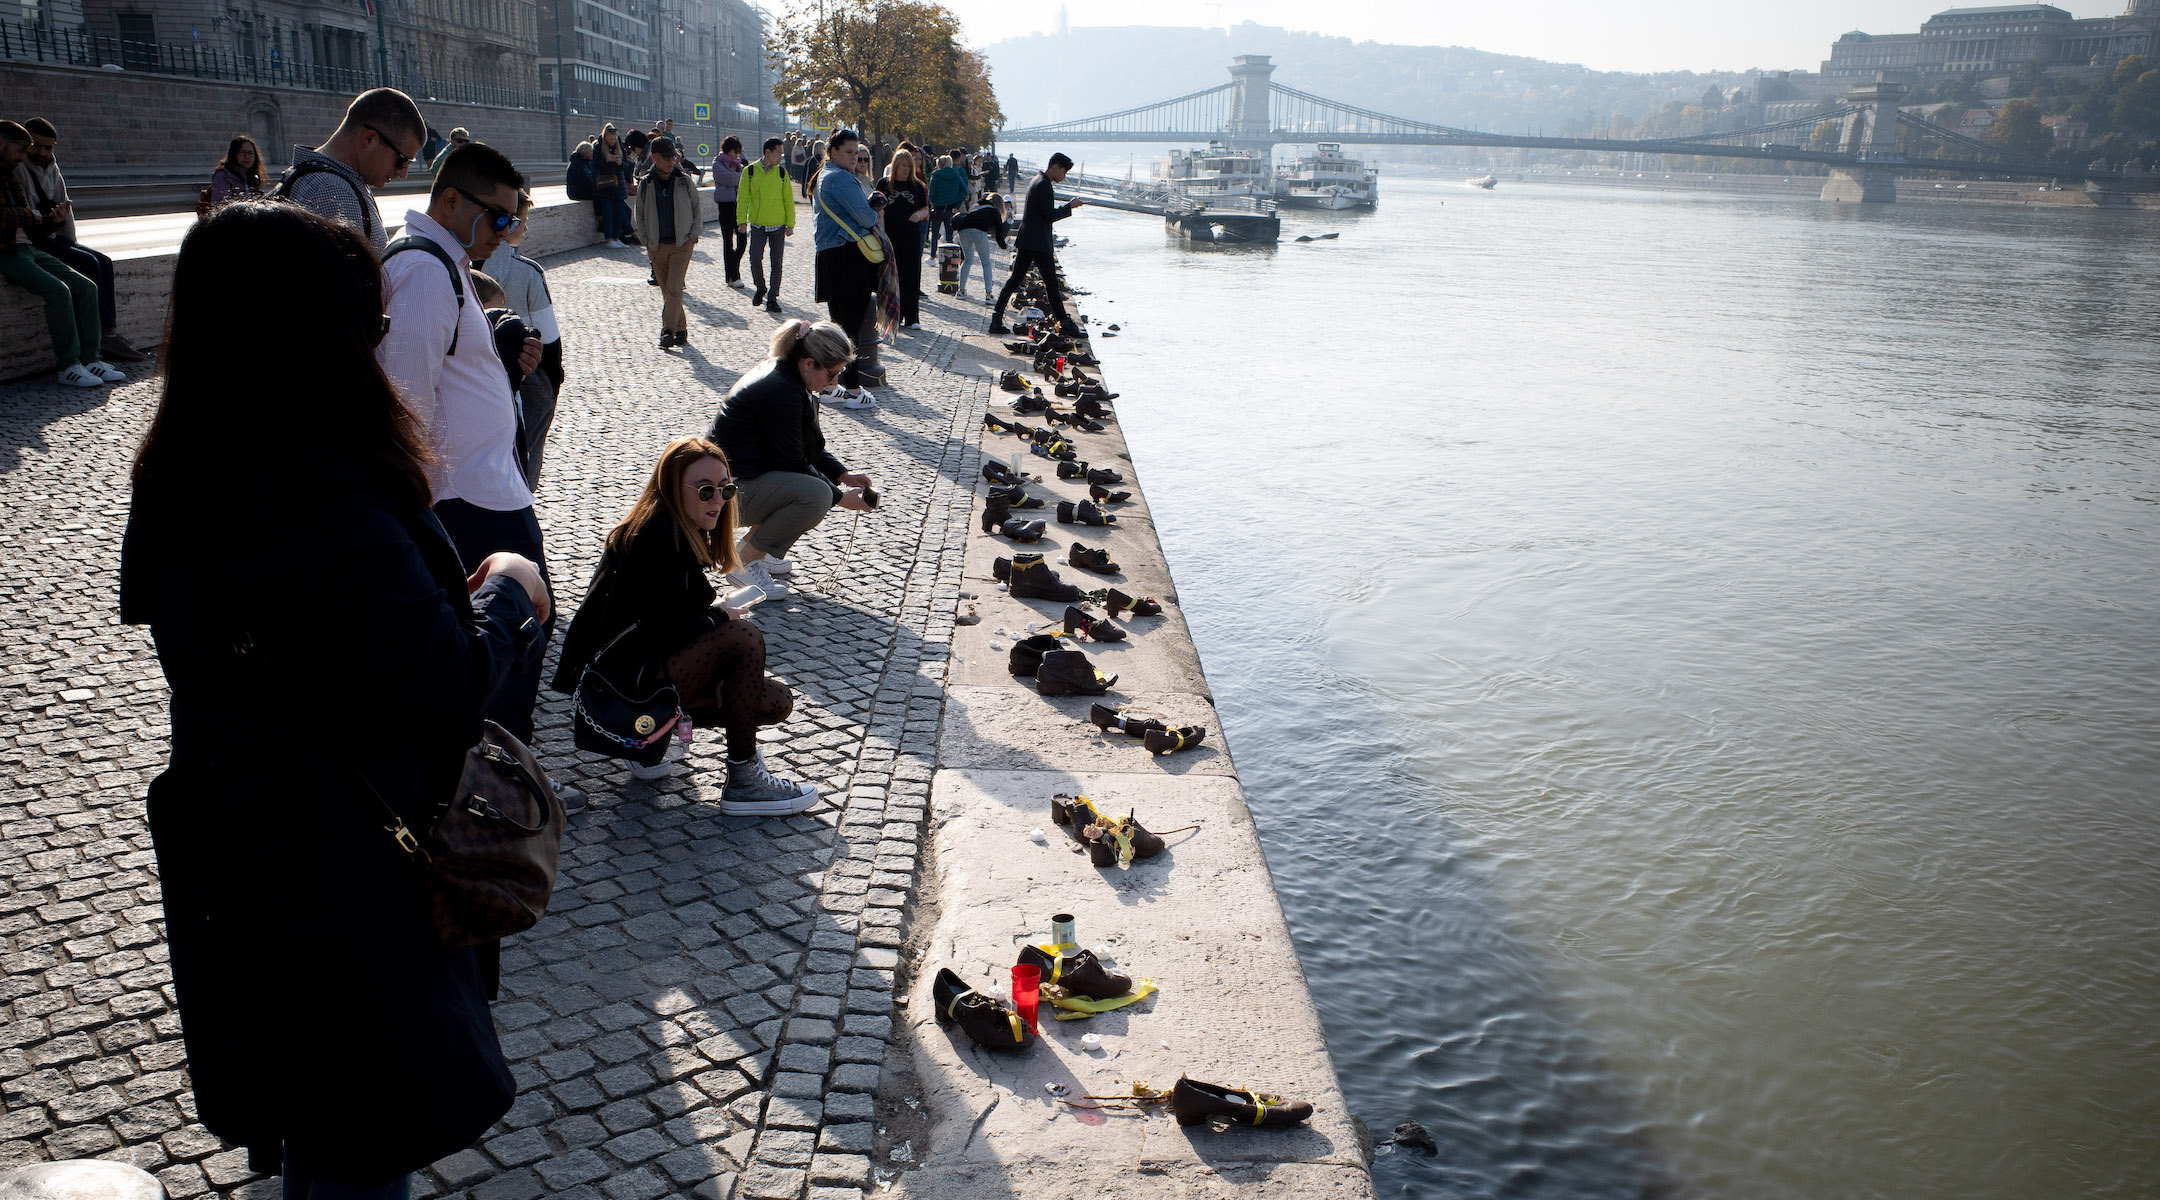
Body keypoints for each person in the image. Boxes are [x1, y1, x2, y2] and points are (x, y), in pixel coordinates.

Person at [120, 197, 542, 1199]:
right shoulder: (326, 488)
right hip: (347, 862)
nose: (383, 345)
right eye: (376, 323)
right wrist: (513, 602)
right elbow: (443, 682)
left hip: (243, 839)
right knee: (358, 1140)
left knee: (320, 1121)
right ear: (323, 333)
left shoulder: (180, 469)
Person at [376, 143, 559, 769]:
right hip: (464, 499)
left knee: (522, 633)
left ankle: (502, 774)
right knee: (508, 637)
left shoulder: (446, 264)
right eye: (498, 217)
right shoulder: (425, 270)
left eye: (514, 221)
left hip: (483, 489)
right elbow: (406, 401)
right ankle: (498, 782)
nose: (505, 234)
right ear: (451, 200)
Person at [550, 437, 819, 811]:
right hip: (617, 686)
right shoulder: (658, 536)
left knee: (772, 700)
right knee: (743, 636)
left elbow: (669, 614)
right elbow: (671, 626)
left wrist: (715, 611)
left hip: (635, 671)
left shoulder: (675, 528)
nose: (719, 501)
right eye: (706, 491)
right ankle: (743, 779)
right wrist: (720, 615)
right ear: (671, 488)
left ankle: (649, 740)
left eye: (726, 489)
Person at [707, 319, 876, 599]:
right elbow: (794, 462)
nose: (834, 384)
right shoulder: (783, 390)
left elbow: (806, 448)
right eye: (832, 374)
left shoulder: (786, 376)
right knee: (815, 496)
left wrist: (843, 475)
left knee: (812, 488)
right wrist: (841, 497)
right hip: (724, 493)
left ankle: (764, 549)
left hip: (738, 479)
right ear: (809, 363)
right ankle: (743, 561)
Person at [18, 117, 148, 363]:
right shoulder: (19, 168)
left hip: (54, 235)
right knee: (89, 264)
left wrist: (70, 240)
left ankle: (110, 334)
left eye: (48, 147)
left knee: (104, 261)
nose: (42, 152)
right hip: (34, 239)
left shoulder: (53, 168)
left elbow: (65, 209)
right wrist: (50, 223)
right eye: (37, 145)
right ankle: (97, 338)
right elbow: (26, 213)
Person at [1, 123, 116, 388]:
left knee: (86, 286)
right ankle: (69, 365)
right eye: (21, 150)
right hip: (7, 251)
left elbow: (29, 218)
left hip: (26, 245)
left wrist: (51, 221)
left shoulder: (9, 172)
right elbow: (17, 214)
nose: (23, 156)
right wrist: (34, 216)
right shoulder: (15, 171)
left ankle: (92, 358)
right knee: (59, 291)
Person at [479, 191, 564, 489]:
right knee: (526, 453)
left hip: (480, 376)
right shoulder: (528, 272)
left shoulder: (463, 268)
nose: (525, 229)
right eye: (522, 221)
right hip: (529, 376)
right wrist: (554, 379)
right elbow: (549, 338)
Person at [276, 87, 424, 257]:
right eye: (402, 160)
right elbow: (352, 281)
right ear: (369, 139)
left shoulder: (307, 174)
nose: (403, 173)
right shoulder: (333, 191)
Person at [810, 130, 885, 397]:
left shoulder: (824, 175)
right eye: (848, 152)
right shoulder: (841, 178)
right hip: (848, 258)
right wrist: (874, 209)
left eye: (856, 153)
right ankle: (853, 390)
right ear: (832, 152)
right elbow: (866, 218)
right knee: (851, 328)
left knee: (839, 325)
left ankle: (830, 385)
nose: (854, 158)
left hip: (831, 256)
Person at [990, 151, 1086, 337]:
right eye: (1064, 172)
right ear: (1056, 167)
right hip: (1038, 243)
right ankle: (1066, 324)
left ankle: (996, 318)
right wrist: (1070, 206)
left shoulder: (1037, 180)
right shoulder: (1044, 185)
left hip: (1028, 239)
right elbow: (1049, 215)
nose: (1064, 177)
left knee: (1014, 281)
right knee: (1051, 284)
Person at [634, 137, 703, 351]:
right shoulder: (646, 184)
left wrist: (693, 235)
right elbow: (640, 215)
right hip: (656, 245)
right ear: (654, 158)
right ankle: (681, 329)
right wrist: (645, 240)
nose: (671, 161)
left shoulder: (684, 181)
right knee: (668, 292)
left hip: (682, 243)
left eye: (673, 157)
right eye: (666, 158)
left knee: (674, 288)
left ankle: (667, 331)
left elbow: (696, 210)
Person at [740, 136, 794, 314]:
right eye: (778, 153)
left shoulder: (781, 173)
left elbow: (788, 200)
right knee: (755, 258)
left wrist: (790, 224)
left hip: (778, 225)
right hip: (757, 225)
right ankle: (760, 287)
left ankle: (772, 297)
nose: (781, 156)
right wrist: (741, 221)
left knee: (776, 263)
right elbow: (742, 199)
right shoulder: (750, 172)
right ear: (767, 152)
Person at [878, 149, 929, 329]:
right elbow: (876, 206)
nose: (906, 169)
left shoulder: (917, 186)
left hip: (911, 237)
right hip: (890, 236)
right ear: (896, 166)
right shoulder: (884, 184)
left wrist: (918, 215)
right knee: (892, 276)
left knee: (911, 275)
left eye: (909, 165)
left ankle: (912, 316)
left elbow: (926, 208)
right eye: (903, 165)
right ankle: (894, 315)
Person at [950, 192, 1007, 303]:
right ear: (999, 204)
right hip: (978, 232)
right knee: (986, 263)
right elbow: (999, 232)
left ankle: (961, 291)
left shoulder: (977, 207)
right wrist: (1003, 245)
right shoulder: (994, 211)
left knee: (967, 260)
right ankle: (988, 294)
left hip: (963, 230)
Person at [710, 135, 748, 288]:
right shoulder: (718, 164)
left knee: (742, 241)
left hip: (739, 205)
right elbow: (732, 180)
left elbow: (744, 179)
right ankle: (733, 276)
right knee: (728, 242)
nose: (737, 155)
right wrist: (737, 177)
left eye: (739, 152)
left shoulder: (738, 165)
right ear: (727, 150)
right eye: (735, 151)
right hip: (726, 206)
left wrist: (736, 176)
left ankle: (733, 269)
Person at [593, 125, 631, 247]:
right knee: (608, 213)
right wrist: (606, 161)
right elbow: (595, 165)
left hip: (618, 183)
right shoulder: (599, 147)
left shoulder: (620, 147)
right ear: (605, 138)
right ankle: (609, 237)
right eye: (610, 139)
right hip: (606, 184)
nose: (612, 142)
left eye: (614, 139)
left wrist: (620, 163)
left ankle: (616, 236)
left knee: (618, 212)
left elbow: (627, 165)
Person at [927, 152, 967, 255]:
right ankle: (949, 255)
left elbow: (931, 194)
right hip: (950, 207)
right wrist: (956, 203)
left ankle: (932, 256)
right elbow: (964, 191)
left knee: (935, 234)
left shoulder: (935, 176)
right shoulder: (956, 175)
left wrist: (934, 201)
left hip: (937, 208)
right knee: (949, 233)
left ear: (939, 164)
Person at [210, 134, 266, 205]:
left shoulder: (253, 177)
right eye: (243, 153)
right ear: (234, 154)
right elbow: (220, 204)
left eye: (250, 153)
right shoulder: (223, 176)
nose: (247, 157)